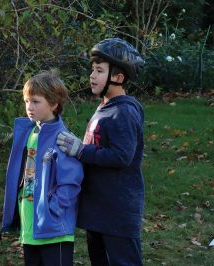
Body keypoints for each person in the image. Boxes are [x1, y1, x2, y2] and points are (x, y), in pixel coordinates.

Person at [56, 37, 145, 265]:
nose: (92, 76)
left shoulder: (123, 112)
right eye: (92, 70)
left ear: (118, 77)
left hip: (117, 213)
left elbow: (121, 156)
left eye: (99, 71)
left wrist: (81, 151)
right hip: (98, 210)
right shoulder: (105, 108)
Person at [1, 71, 84, 266]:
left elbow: (71, 183)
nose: (29, 107)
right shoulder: (29, 133)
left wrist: (51, 209)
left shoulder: (63, 139)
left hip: (55, 232)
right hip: (30, 229)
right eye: (27, 101)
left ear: (54, 104)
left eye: (36, 102)